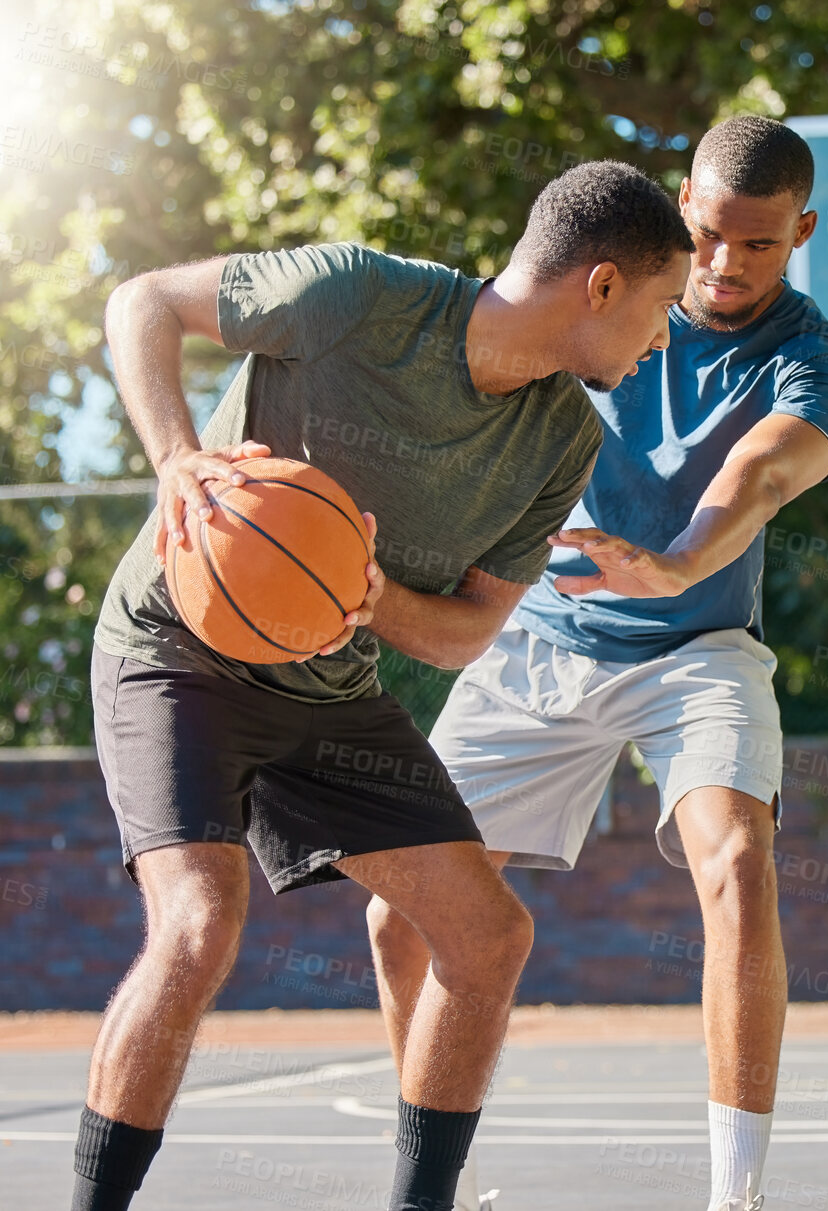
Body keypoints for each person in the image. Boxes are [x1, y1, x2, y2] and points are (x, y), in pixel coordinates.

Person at [79, 162, 692, 1211]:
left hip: (325, 688)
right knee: (197, 923)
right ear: (599, 286)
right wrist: (179, 458)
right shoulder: (361, 294)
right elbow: (143, 301)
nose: (664, 338)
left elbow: (465, 634)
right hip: (175, 650)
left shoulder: (562, 442)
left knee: (488, 932)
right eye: (662, 307)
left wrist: (369, 598)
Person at [366, 116, 828, 1211]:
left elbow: (762, 474)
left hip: (696, 646)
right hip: (540, 632)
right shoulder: (607, 288)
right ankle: (429, 1191)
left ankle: (735, 1194)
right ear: (681, 200)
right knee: (402, 910)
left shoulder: (820, 364)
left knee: (737, 862)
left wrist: (679, 559)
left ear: (804, 232)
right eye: (712, 235)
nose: (729, 264)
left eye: (761, 244)